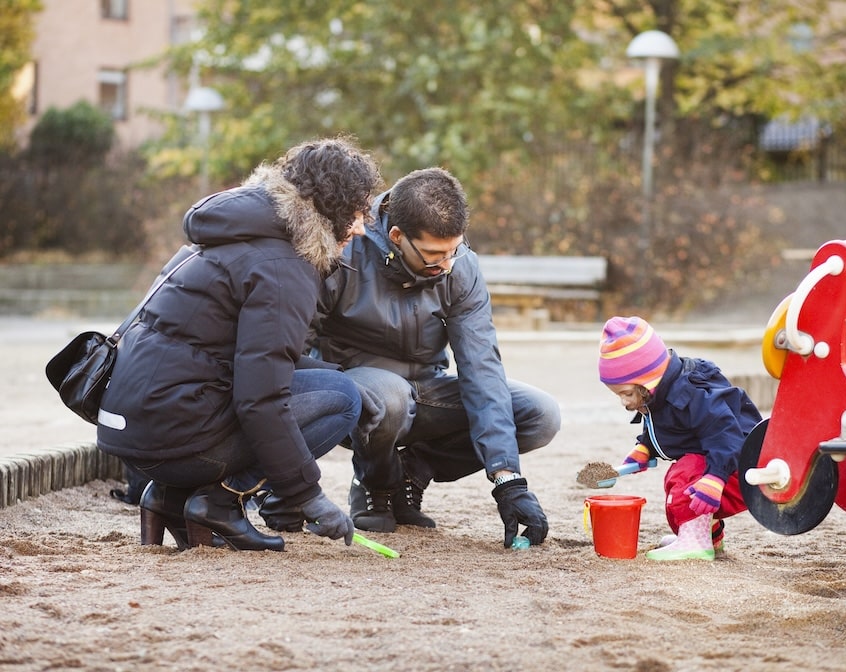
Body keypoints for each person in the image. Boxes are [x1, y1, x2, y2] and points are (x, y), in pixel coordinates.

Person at [95, 136, 383, 552]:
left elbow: (239, 354)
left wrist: (330, 374)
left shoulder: (236, 233)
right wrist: (309, 496)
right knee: (340, 400)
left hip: (134, 430)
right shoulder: (286, 265)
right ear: (330, 207)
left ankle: (168, 497)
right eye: (356, 212)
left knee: (338, 385)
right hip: (171, 438)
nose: (359, 227)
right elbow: (260, 397)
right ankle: (220, 502)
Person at [302, 167, 560, 548]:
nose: (447, 264)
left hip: (427, 390)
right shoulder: (344, 248)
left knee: (539, 414)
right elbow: (296, 347)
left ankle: (412, 471)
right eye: (435, 254)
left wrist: (508, 479)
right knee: (390, 396)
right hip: (357, 396)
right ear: (396, 237)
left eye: (453, 251)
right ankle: (374, 481)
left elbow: (481, 368)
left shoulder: (460, 267)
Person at [598, 316, 762, 561]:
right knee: (684, 475)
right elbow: (667, 426)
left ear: (649, 381)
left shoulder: (691, 393)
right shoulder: (659, 395)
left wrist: (716, 477)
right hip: (719, 460)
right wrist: (645, 448)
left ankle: (695, 542)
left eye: (627, 393)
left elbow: (725, 433)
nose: (625, 402)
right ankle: (706, 536)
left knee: (683, 475)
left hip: (739, 464)